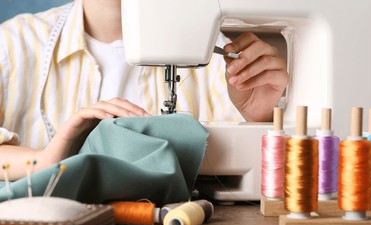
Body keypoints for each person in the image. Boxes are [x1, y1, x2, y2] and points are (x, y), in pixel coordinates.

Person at [0, 0, 288, 180]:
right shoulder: (12, 45)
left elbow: (255, 169)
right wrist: (45, 160)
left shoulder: (208, 48)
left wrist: (256, 119)